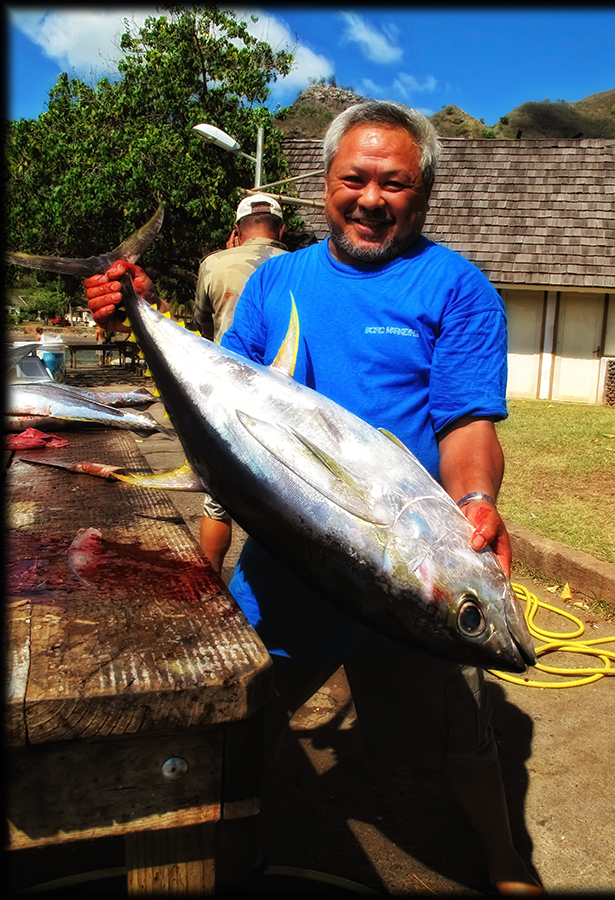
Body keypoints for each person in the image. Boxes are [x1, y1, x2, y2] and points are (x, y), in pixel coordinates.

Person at [84, 100, 542, 895]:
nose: (371, 198)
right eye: (353, 180)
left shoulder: (458, 290)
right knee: (242, 718)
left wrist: (473, 496)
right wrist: (138, 315)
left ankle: (504, 853)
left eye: (393, 183)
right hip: (287, 555)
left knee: (465, 731)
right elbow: (226, 395)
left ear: (424, 190)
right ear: (324, 185)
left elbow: (468, 421)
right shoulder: (276, 280)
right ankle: (222, 840)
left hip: (404, 561)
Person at [193, 193, 288, 573]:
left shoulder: (213, 265)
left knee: (218, 499)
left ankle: (208, 584)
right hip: (280, 399)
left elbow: (202, 325)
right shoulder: (297, 266)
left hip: (223, 395)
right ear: (281, 229)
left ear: (236, 231)